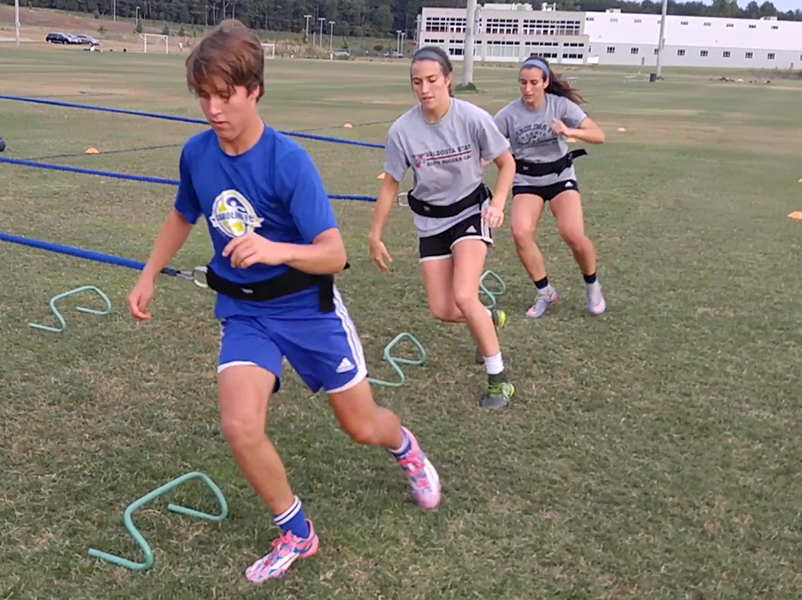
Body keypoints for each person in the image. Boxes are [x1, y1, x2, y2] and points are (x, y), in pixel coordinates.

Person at [126, 20, 441, 584]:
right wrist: (147, 273)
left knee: (363, 425)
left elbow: (335, 255)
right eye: (204, 96)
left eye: (226, 95)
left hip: (307, 309)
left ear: (254, 90)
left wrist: (272, 248)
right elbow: (182, 214)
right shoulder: (196, 154)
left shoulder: (289, 161)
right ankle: (297, 532)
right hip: (245, 313)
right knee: (240, 425)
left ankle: (406, 448)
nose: (214, 109)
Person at [368, 46, 518, 409]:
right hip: (431, 222)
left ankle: (498, 379)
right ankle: (488, 319)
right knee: (442, 308)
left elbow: (506, 163)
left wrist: (497, 204)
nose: (424, 89)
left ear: (448, 80)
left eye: (432, 80)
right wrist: (375, 234)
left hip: (470, 213)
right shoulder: (402, 130)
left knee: (465, 296)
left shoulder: (473, 117)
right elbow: (391, 182)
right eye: (417, 82)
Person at [494, 57, 606, 318]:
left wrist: (569, 130)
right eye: (523, 83)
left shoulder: (560, 106)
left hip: (559, 176)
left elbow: (598, 135)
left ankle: (592, 284)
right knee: (521, 233)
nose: (528, 89)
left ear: (545, 82)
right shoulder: (508, 114)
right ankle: (545, 291)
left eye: (534, 82)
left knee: (573, 234)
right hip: (527, 179)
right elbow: (488, 145)